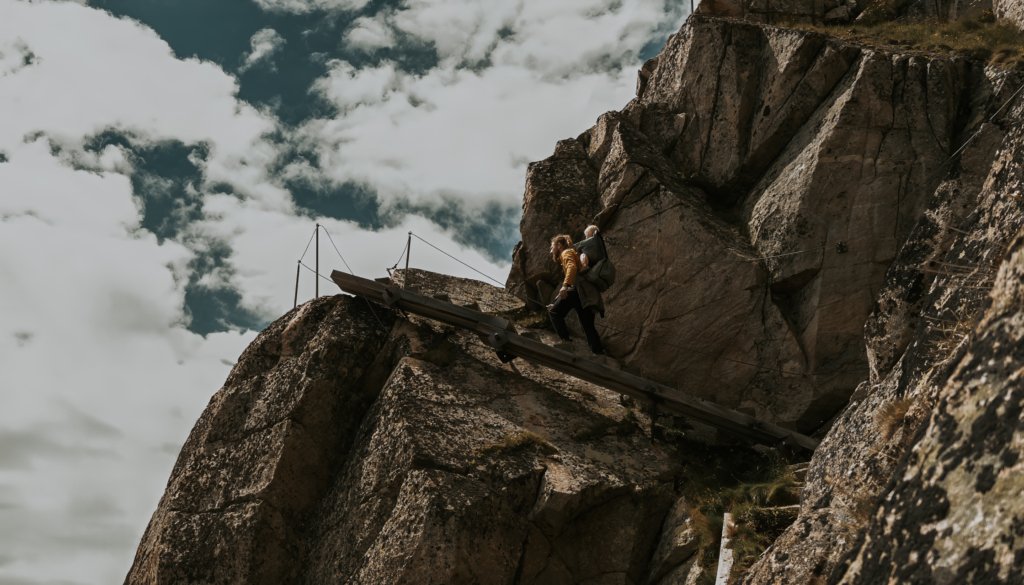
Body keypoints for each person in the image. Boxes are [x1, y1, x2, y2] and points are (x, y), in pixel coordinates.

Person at [548, 234, 605, 355]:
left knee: (554, 312)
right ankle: (599, 353)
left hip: (578, 290)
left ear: (559, 245)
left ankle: (566, 343)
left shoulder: (566, 252)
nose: (551, 250)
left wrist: (565, 286)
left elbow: (572, 267)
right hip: (586, 294)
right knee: (588, 326)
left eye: (552, 246)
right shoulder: (574, 252)